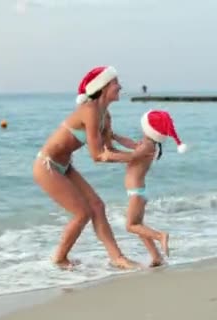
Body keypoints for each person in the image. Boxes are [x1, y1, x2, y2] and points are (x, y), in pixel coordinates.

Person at [32, 66, 154, 270]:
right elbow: (97, 156)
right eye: (116, 83)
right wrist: (134, 156)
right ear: (103, 87)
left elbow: (109, 149)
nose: (120, 86)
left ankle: (117, 258)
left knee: (97, 206)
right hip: (47, 165)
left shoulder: (105, 116)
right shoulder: (89, 111)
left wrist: (137, 152)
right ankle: (59, 259)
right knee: (82, 213)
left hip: (65, 166)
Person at [124, 109, 188, 267]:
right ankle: (156, 257)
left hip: (136, 193)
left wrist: (107, 156)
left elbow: (130, 156)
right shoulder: (148, 144)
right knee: (140, 226)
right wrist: (113, 136)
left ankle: (160, 236)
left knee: (131, 226)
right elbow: (131, 145)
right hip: (139, 191)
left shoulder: (146, 146)